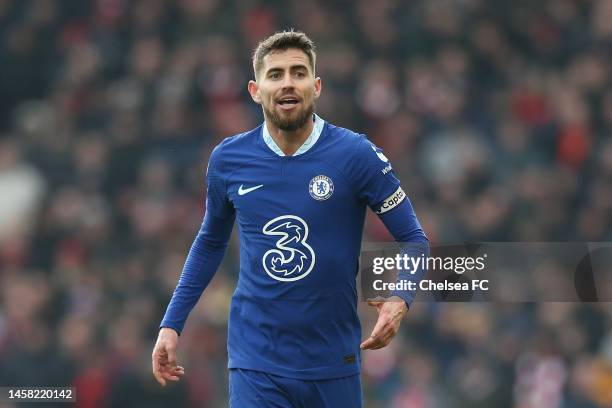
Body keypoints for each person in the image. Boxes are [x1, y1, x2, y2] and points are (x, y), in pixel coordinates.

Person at [152, 30, 429, 407]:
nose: (288, 83)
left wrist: (401, 298)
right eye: (276, 74)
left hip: (333, 362)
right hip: (256, 362)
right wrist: (172, 323)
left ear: (316, 87)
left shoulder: (355, 155)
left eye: (298, 73)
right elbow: (210, 242)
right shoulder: (228, 160)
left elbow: (414, 238)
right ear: (255, 89)